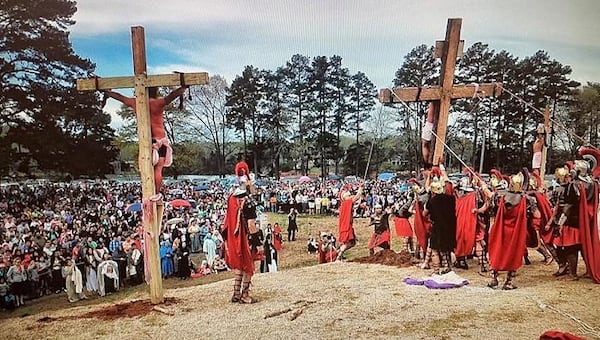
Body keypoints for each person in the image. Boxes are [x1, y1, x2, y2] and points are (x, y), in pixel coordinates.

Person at [104, 86, 187, 194]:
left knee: (147, 171)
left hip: (146, 142)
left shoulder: (135, 102)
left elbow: (120, 97)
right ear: (155, 91)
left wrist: (109, 93)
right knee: (158, 170)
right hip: (160, 140)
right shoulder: (158, 102)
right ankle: (156, 194)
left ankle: (151, 194)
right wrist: (183, 87)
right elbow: (172, 95)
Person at [222, 186, 263, 304]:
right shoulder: (248, 202)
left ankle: (236, 293)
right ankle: (244, 294)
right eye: (254, 184)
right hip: (246, 239)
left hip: (235, 238)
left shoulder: (232, 198)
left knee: (239, 265)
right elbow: (251, 225)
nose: (256, 187)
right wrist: (258, 243)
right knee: (247, 266)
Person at [488, 172, 529, 290]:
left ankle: (494, 279)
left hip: (501, 230)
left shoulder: (501, 196)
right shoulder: (525, 199)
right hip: (515, 232)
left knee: (497, 252)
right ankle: (509, 282)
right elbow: (535, 214)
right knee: (513, 254)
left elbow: (491, 209)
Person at [423, 169, 457, 275]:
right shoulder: (451, 199)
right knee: (445, 248)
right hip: (449, 227)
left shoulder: (432, 201)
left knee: (435, 250)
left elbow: (425, 213)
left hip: (437, 227)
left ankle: (436, 271)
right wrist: (442, 170)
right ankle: (447, 267)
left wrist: (425, 207)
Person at [336, 185, 363, 261]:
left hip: (346, 225)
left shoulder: (344, 204)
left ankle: (339, 252)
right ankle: (339, 254)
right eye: (348, 195)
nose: (350, 196)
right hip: (346, 226)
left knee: (352, 243)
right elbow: (357, 196)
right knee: (347, 243)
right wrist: (361, 188)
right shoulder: (347, 202)